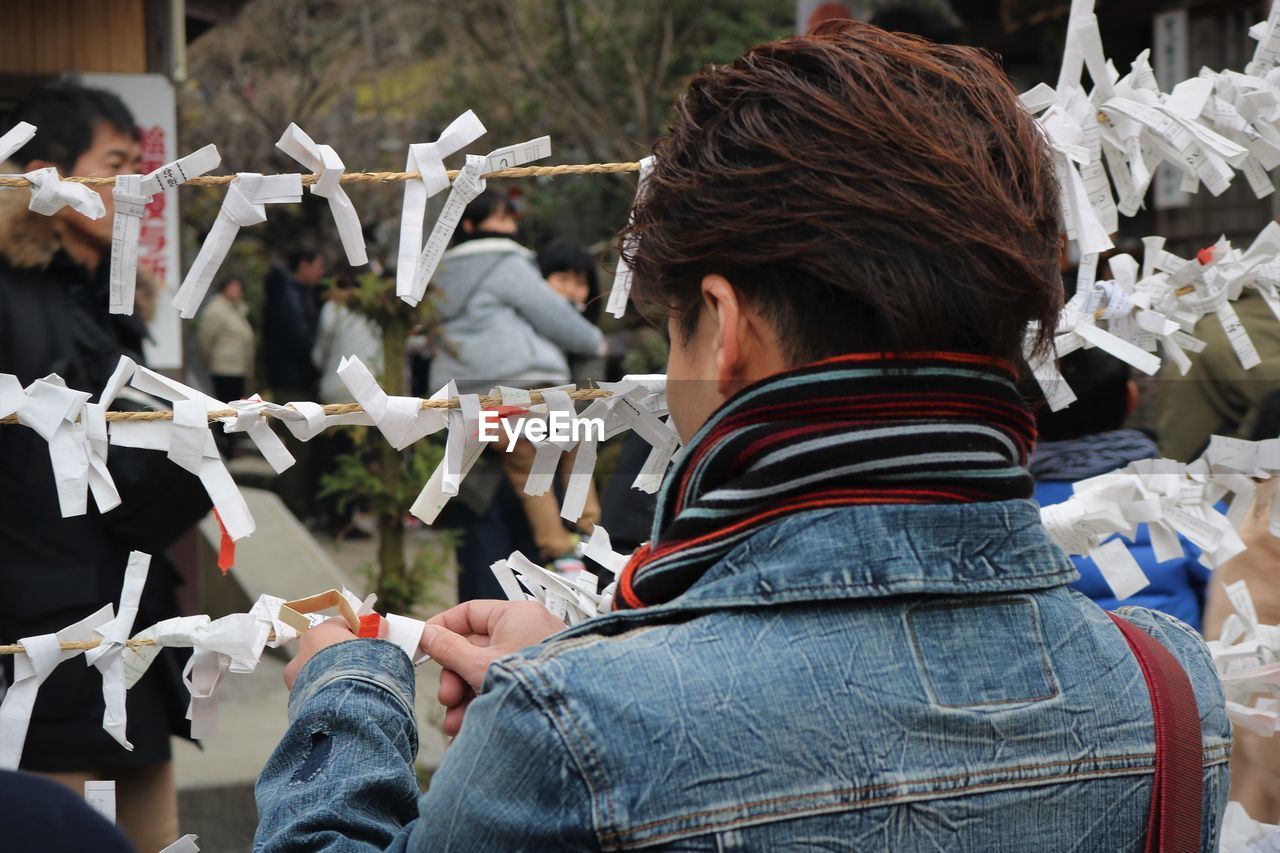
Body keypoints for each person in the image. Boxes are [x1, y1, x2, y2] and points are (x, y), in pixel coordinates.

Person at [255, 22, 1230, 849]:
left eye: (669, 327)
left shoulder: (571, 737)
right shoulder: (1169, 688)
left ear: (724, 328)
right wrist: (595, 658)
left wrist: (342, 699)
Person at [0, 81, 211, 853]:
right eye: (117, 163)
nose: (139, 188)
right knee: (59, 837)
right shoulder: (7, 293)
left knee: (153, 838)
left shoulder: (110, 299)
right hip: (38, 636)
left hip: (129, 623)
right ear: (48, 174)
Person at [430, 191, 605, 572]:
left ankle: (564, 544)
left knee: (526, 458)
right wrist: (594, 341)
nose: (511, 228)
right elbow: (555, 318)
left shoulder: (438, 273)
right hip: (520, 385)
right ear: (472, 225)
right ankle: (578, 536)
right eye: (503, 219)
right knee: (563, 443)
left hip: (465, 398)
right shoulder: (506, 263)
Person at [1030, 348, 1210, 630]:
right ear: (1132, 398)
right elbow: (1228, 594)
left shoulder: (1011, 509)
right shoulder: (1185, 494)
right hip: (1175, 667)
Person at [263, 249, 326, 521]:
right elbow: (299, 338)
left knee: (294, 446)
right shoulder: (288, 294)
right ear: (304, 262)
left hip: (290, 378)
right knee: (296, 447)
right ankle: (292, 507)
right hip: (293, 381)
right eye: (318, 265)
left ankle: (293, 503)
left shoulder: (292, 292)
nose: (320, 273)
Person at [197, 277, 255, 404]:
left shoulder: (239, 309)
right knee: (225, 406)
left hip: (239, 368)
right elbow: (206, 338)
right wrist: (208, 360)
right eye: (232, 287)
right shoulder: (216, 310)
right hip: (223, 368)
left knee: (236, 406)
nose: (236, 291)